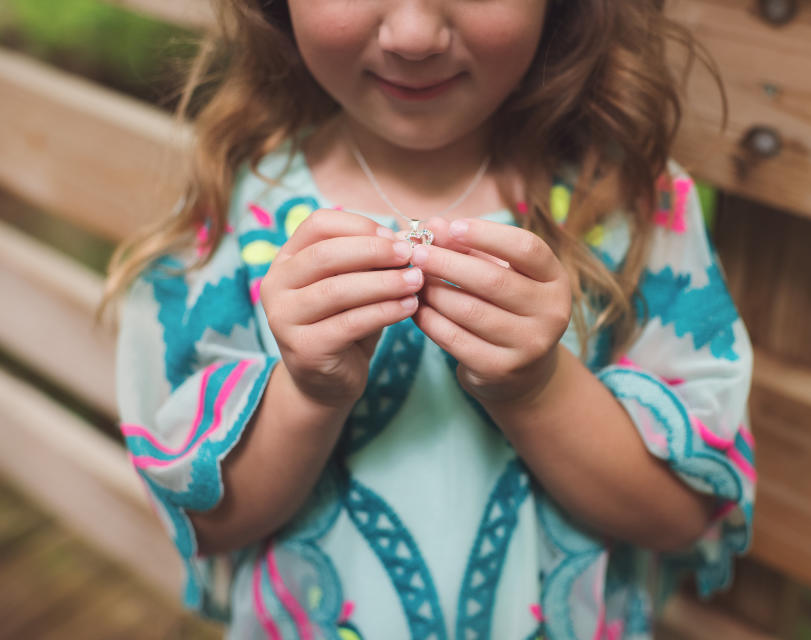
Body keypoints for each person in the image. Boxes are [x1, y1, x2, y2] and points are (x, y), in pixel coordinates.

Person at [105, 0, 755, 638]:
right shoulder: (237, 210)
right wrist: (306, 392)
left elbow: (680, 517)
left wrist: (538, 388)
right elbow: (209, 523)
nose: (413, 35)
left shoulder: (626, 204)